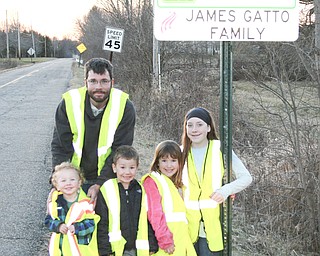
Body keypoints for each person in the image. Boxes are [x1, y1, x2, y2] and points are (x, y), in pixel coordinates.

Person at [51, 57, 136, 202]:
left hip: (108, 176)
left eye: (104, 81)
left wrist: (99, 184)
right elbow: (60, 147)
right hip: (74, 177)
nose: (99, 87)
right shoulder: (69, 103)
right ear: (85, 82)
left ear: (112, 82)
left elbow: (121, 150)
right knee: (68, 221)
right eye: (93, 81)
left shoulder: (124, 107)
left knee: (105, 222)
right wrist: (57, 183)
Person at [181, 107, 253, 256]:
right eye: (190, 125)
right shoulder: (179, 152)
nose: (194, 129)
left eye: (199, 124)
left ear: (208, 127)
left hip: (213, 228)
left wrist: (226, 191)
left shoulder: (221, 149)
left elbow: (246, 177)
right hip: (186, 228)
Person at [95, 145, 158, 256]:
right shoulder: (107, 189)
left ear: (137, 167)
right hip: (115, 250)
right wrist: (104, 251)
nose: (127, 172)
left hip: (136, 249)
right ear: (114, 168)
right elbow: (102, 223)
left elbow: (147, 219)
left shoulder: (141, 189)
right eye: (122, 167)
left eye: (131, 168)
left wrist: (151, 245)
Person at [142, 140, 197, 256]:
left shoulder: (178, 184)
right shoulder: (152, 181)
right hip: (166, 246)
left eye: (173, 161)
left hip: (182, 241)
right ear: (157, 162)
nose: (169, 165)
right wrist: (165, 241)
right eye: (164, 161)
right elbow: (155, 214)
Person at [45, 162, 100, 256]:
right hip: (60, 249)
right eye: (63, 181)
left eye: (72, 179)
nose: (68, 183)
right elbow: (48, 221)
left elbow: (91, 224)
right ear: (56, 185)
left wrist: (77, 228)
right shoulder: (55, 202)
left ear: (79, 183)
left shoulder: (86, 203)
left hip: (80, 250)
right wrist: (58, 226)